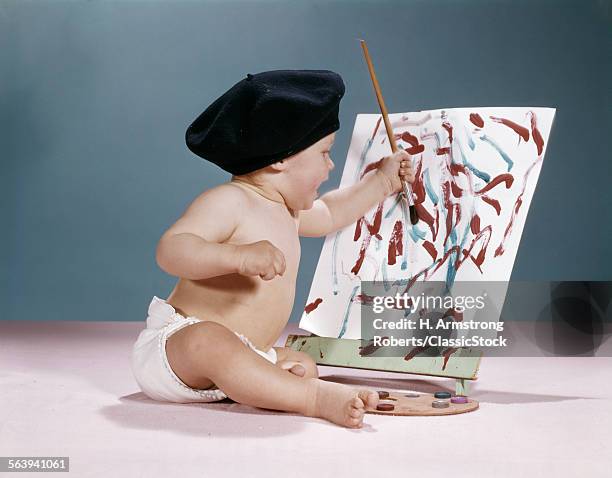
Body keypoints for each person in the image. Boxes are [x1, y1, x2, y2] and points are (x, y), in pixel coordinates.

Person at [131, 69, 414, 428]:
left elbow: (331, 213)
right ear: (281, 157)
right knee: (211, 339)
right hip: (178, 351)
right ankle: (312, 396)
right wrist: (235, 256)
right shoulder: (231, 201)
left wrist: (383, 181)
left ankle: (275, 385)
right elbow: (171, 250)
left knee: (300, 363)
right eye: (325, 153)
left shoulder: (288, 211)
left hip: (243, 353)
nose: (331, 165)